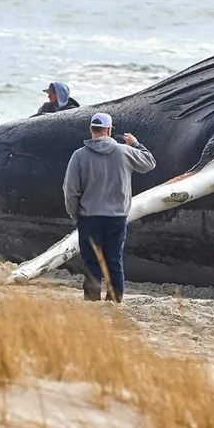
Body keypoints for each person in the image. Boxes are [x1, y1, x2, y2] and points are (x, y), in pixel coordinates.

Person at [62, 112, 156, 301]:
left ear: (91, 129)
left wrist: (76, 216)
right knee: (114, 261)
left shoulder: (79, 156)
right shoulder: (125, 151)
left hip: (89, 217)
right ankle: (114, 301)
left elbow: (70, 191)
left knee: (91, 263)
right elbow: (149, 163)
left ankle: (92, 301)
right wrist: (136, 144)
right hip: (117, 217)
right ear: (109, 130)